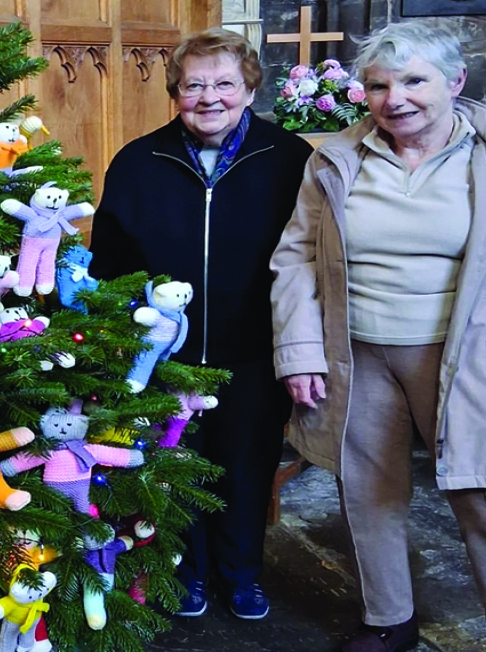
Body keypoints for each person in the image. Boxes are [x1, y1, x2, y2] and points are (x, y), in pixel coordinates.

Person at [270, 22, 486, 652]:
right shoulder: (335, 157)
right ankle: (388, 620)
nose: (396, 99)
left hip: (472, 351)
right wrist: (300, 351)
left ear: (457, 81)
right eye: (379, 85)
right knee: (367, 491)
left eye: (415, 80)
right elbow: (297, 257)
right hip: (359, 351)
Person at [89, 28, 313, 620]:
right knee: (173, 467)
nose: (209, 97)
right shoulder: (140, 161)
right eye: (194, 85)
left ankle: (241, 575)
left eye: (224, 84)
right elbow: (109, 261)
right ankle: (183, 574)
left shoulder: (289, 157)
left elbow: (311, 256)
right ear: (175, 92)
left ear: (249, 88)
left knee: (247, 465)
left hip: (254, 348)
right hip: (165, 355)